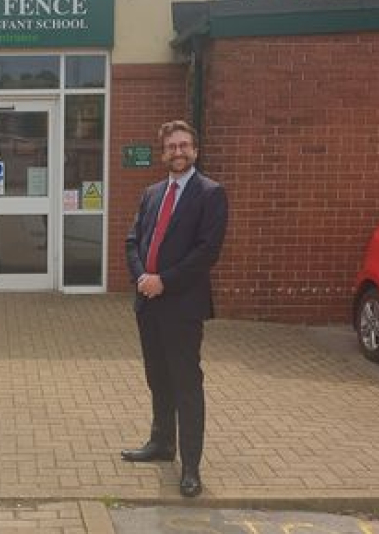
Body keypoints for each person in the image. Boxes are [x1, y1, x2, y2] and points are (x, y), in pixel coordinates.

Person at [121, 120, 228, 497]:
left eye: (184, 145)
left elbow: (207, 251)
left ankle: (191, 466)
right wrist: (141, 277)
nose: (178, 152)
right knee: (158, 378)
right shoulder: (151, 193)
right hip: (148, 303)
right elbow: (133, 241)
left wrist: (163, 280)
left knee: (186, 385)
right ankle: (162, 443)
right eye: (171, 146)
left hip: (182, 306)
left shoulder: (210, 194)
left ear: (195, 150)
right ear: (163, 152)